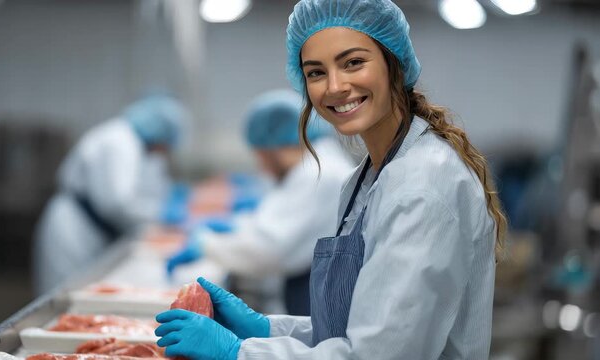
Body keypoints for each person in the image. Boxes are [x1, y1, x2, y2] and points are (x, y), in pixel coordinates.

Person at [154, 0, 508, 359]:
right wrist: (266, 328)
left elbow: (377, 353)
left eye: (353, 62)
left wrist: (239, 352)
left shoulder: (423, 186)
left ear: (393, 63)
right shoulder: (369, 176)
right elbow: (356, 328)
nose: (335, 86)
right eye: (316, 72)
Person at [165, 89, 354, 315]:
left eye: (262, 155)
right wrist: (237, 227)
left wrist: (206, 245)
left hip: (318, 299)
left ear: (276, 146)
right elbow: (277, 229)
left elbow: (269, 249)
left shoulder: (317, 172)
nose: (262, 166)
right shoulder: (316, 165)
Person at [33, 95, 187, 295]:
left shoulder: (132, 142)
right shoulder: (118, 142)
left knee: (85, 290)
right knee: (63, 295)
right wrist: (161, 213)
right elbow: (116, 204)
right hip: (73, 229)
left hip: (92, 228)